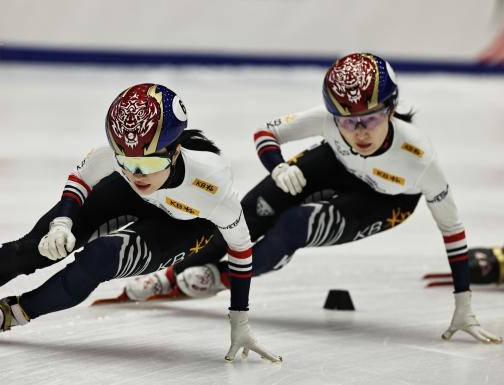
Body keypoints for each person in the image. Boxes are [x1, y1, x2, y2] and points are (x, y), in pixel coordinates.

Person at [0, 83, 280, 362]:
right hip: (128, 195)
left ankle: (20, 311)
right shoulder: (124, 158)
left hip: (183, 223)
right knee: (32, 248)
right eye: (125, 161)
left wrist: (239, 320)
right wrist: (62, 224)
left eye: (146, 163)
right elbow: (81, 181)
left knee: (99, 258)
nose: (137, 172)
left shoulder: (212, 185)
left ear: (174, 152)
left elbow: (241, 250)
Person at [121, 54, 502, 344]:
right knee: (245, 217)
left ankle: (221, 278)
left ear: (390, 108)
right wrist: (277, 166)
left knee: (295, 225)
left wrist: (464, 305)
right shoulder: (328, 121)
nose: (359, 132)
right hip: (334, 164)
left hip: (385, 200)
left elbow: (452, 229)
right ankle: (168, 277)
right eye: (346, 121)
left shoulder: (418, 158)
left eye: (369, 119)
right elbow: (265, 132)